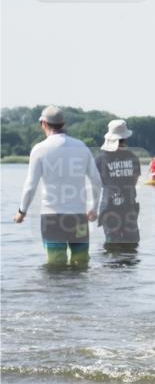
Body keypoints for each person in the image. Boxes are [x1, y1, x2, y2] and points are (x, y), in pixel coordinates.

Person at [13, 106, 101, 267]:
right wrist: (94, 208)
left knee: (55, 267)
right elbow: (96, 180)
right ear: (63, 123)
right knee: (81, 264)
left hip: (51, 217)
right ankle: (80, 293)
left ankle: (58, 293)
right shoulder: (81, 147)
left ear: (43, 123)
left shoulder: (39, 150)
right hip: (78, 217)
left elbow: (30, 186)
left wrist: (21, 211)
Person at [96, 119, 142, 249]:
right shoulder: (133, 157)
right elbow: (135, 180)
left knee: (112, 248)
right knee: (131, 249)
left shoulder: (100, 159)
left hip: (109, 208)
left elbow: (96, 184)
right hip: (129, 207)